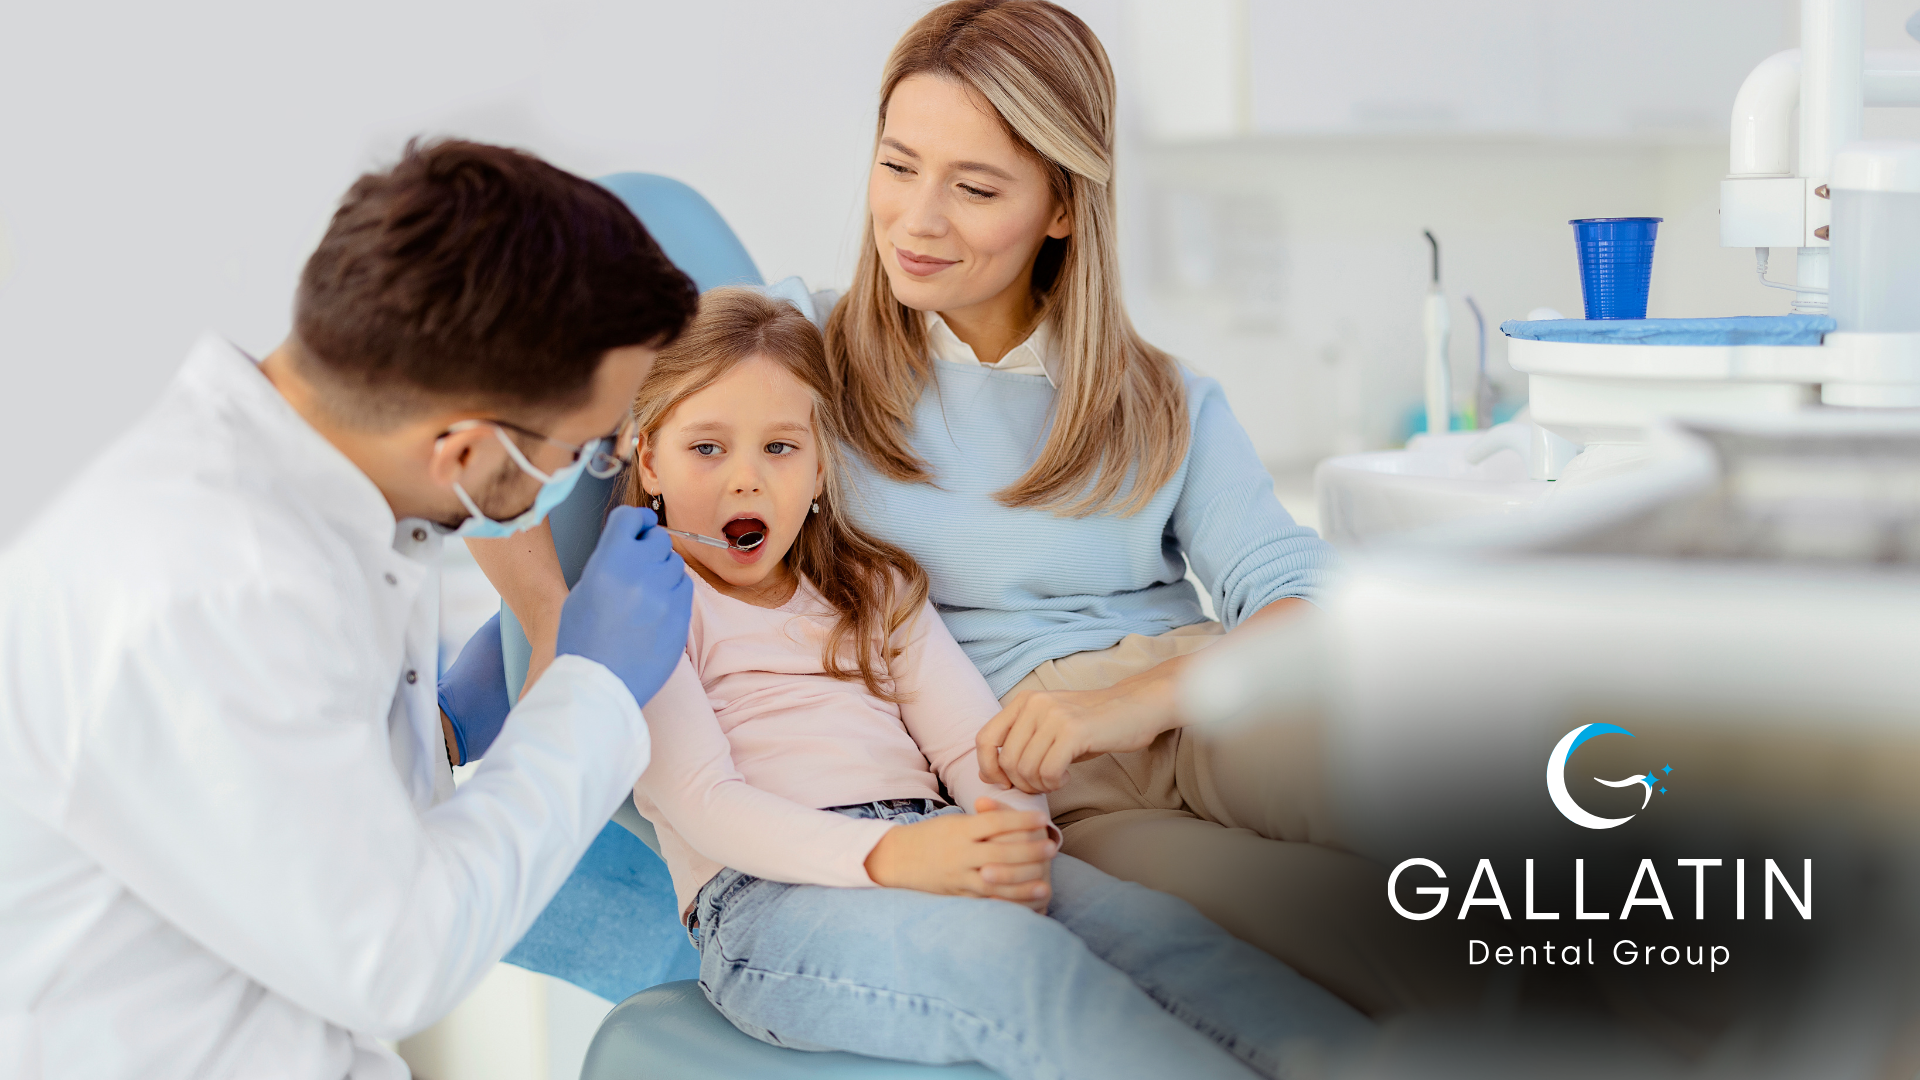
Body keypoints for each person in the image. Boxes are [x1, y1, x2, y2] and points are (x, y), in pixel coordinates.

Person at [475, 1, 1466, 1013]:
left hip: (1201, 697)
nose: (916, 221)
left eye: (975, 187)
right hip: (1033, 770)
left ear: (1063, 206)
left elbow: (1312, 609)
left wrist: (1121, 706)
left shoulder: (1163, 398)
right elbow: (545, 425)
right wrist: (529, 647)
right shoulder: (801, 354)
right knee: (1337, 939)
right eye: (897, 167)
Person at [0, 139, 700, 1079]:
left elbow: (302, 817)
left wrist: (439, 731)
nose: (591, 471)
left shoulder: (326, 504)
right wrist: (590, 691)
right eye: (586, 449)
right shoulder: (212, 590)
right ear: (459, 449)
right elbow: (394, 956)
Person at [595, 287, 1372, 1078]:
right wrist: (897, 858)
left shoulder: (877, 590)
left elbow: (973, 744)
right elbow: (705, 807)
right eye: (707, 449)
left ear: (823, 463)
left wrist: (1013, 836)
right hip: (768, 900)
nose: (746, 482)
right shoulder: (645, 607)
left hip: (936, 842)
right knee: (1021, 966)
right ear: (648, 457)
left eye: (780, 448)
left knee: (1173, 940)